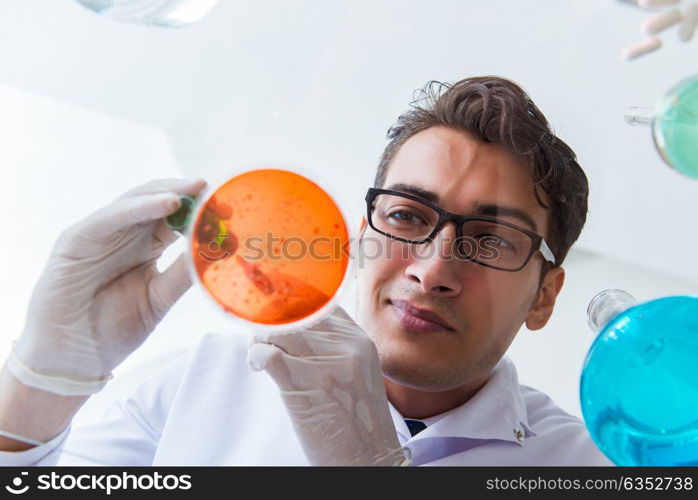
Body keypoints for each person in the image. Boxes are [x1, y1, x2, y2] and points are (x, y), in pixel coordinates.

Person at [0, 76, 613, 466]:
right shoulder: (205, 378)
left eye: (491, 239)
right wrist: (37, 388)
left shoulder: (588, 467)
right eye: (405, 214)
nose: (431, 269)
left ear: (544, 296)